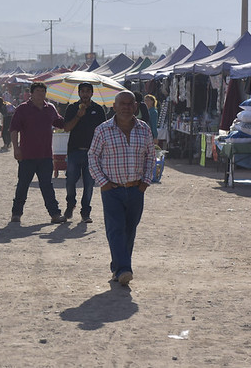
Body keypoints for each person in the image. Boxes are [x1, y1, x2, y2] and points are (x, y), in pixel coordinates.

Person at [88, 90, 156, 286]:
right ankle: (125, 269)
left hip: (136, 189)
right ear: (114, 107)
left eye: (130, 103)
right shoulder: (102, 130)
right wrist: (103, 182)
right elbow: (93, 157)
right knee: (116, 229)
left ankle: (117, 267)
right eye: (122, 104)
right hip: (112, 190)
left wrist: (145, 182)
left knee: (129, 230)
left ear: (136, 107)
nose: (126, 107)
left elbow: (150, 157)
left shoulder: (144, 129)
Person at [9, 82, 67, 224]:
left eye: (43, 91)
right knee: (23, 185)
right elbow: (14, 129)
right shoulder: (22, 109)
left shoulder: (50, 108)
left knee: (47, 186)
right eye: (38, 91)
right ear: (31, 93)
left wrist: (76, 115)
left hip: (46, 155)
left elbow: (61, 123)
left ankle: (54, 214)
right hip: (27, 155)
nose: (41, 94)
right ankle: (16, 214)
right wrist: (16, 148)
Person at [62, 83, 107, 223]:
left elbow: (104, 131)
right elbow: (67, 128)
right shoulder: (72, 108)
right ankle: (70, 205)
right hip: (75, 151)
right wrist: (78, 116)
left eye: (88, 91)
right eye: (83, 91)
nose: (85, 94)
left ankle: (85, 212)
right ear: (79, 93)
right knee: (70, 181)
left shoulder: (98, 109)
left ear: (92, 93)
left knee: (89, 184)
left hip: (92, 153)